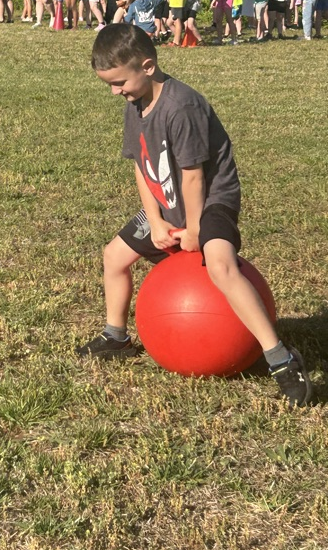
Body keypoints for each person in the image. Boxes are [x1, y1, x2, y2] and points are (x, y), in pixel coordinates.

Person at [79, 24, 312, 408]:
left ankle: (280, 358)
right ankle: (116, 337)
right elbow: (140, 166)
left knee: (220, 266)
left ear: (148, 66)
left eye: (119, 82)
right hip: (168, 205)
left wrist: (194, 229)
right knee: (113, 257)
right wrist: (154, 221)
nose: (115, 91)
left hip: (210, 201)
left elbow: (193, 178)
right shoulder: (135, 104)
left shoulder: (182, 106)